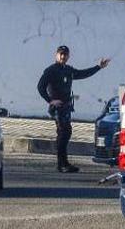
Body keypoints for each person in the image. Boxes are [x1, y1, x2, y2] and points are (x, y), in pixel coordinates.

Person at [37, 45, 110, 173]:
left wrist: (98, 67)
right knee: (63, 133)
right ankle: (62, 164)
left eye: (65, 54)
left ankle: (64, 163)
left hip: (66, 107)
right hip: (57, 107)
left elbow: (82, 73)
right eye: (61, 54)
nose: (63, 56)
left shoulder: (68, 70)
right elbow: (40, 87)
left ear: (68, 56)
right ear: (56, 55)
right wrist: (50, 100)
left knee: (65, 133)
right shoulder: (51, 70)